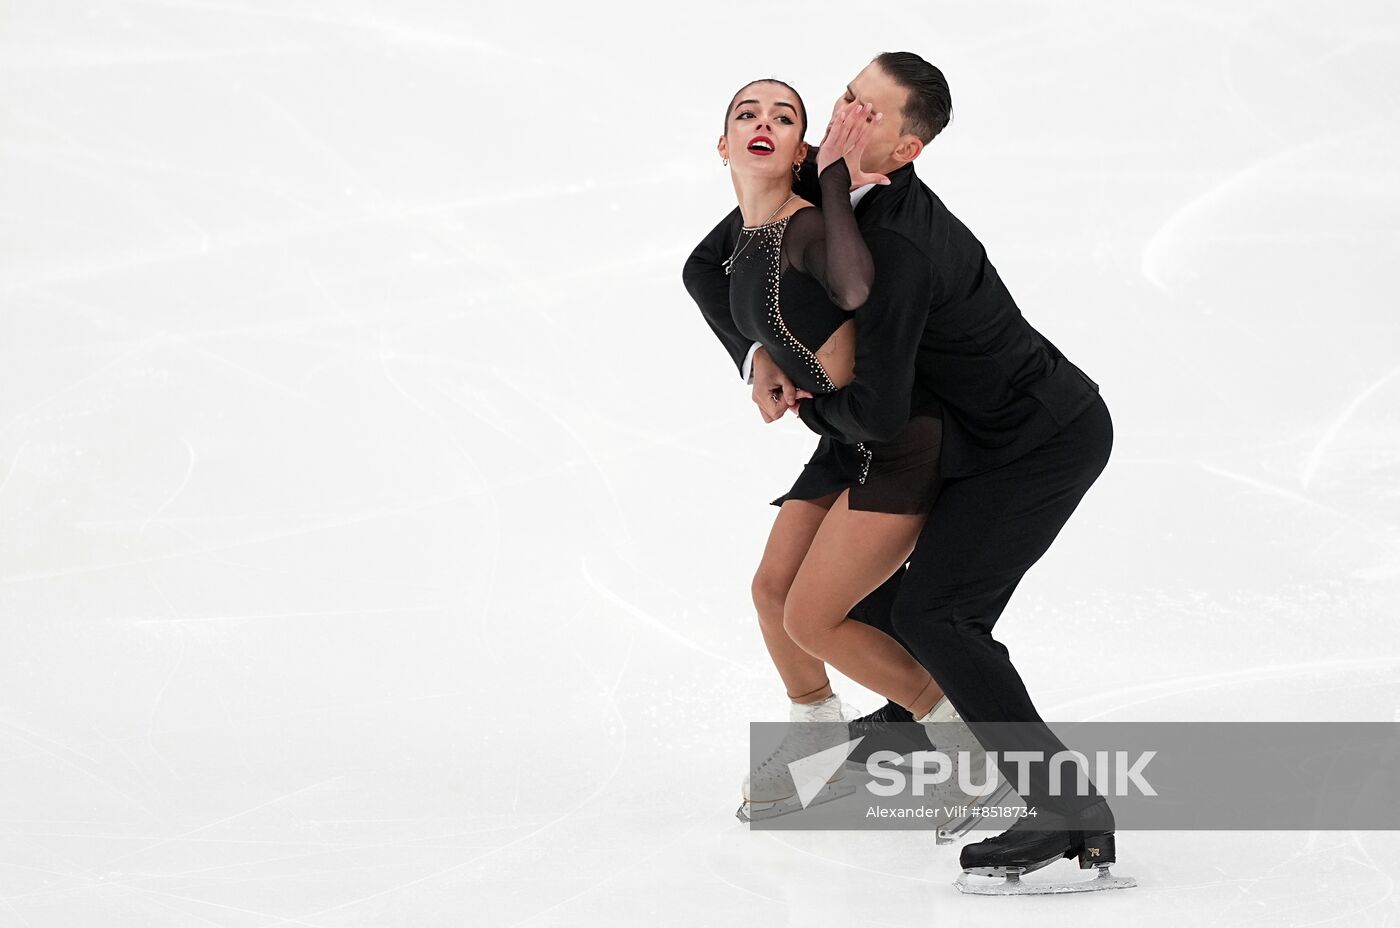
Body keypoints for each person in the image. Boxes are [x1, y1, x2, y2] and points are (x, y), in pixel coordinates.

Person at [688, 54, 1131, 892]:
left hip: (1033, 439)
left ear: (902, 153)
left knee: (938, 616)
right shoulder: (820, 195)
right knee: (871, 606)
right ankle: (905, 731)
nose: (842, 121)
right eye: (846, 98)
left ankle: (1068, 810)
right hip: (953, 431)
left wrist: (806, 400)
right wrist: (757, 354)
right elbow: (714, 264)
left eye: (868, 117)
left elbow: (882, 413)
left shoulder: (892, 245)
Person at [683, 79, 967, 821]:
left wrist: (836, 182)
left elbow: (849, 283)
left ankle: (975, 756)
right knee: (772, 594)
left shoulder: (806, 224)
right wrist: (757, 357)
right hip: (846, 440)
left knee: (814, 618)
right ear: (722, 145)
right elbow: (701, 273)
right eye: (746, 113)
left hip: (898, 442)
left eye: (783, 117)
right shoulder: (743, 237)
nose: (762, 123)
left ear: (801, 150)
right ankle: (815, 741)